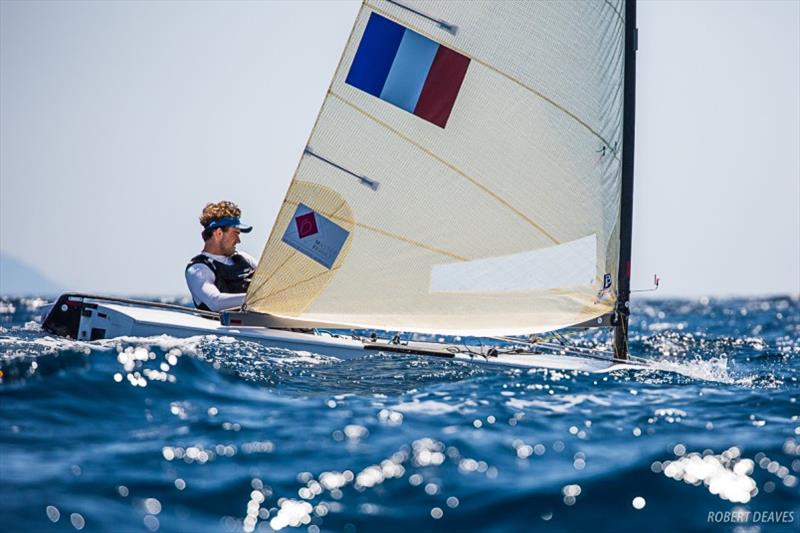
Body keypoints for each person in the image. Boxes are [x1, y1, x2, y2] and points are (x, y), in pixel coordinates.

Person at [185, 201, 257, 312]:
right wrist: (260, 298)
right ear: (218, 233)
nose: (239, 241)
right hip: (222, 327)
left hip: (260, 326)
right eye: (236, 234)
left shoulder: (245, 259)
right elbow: (215, 302)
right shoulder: (198, 269)